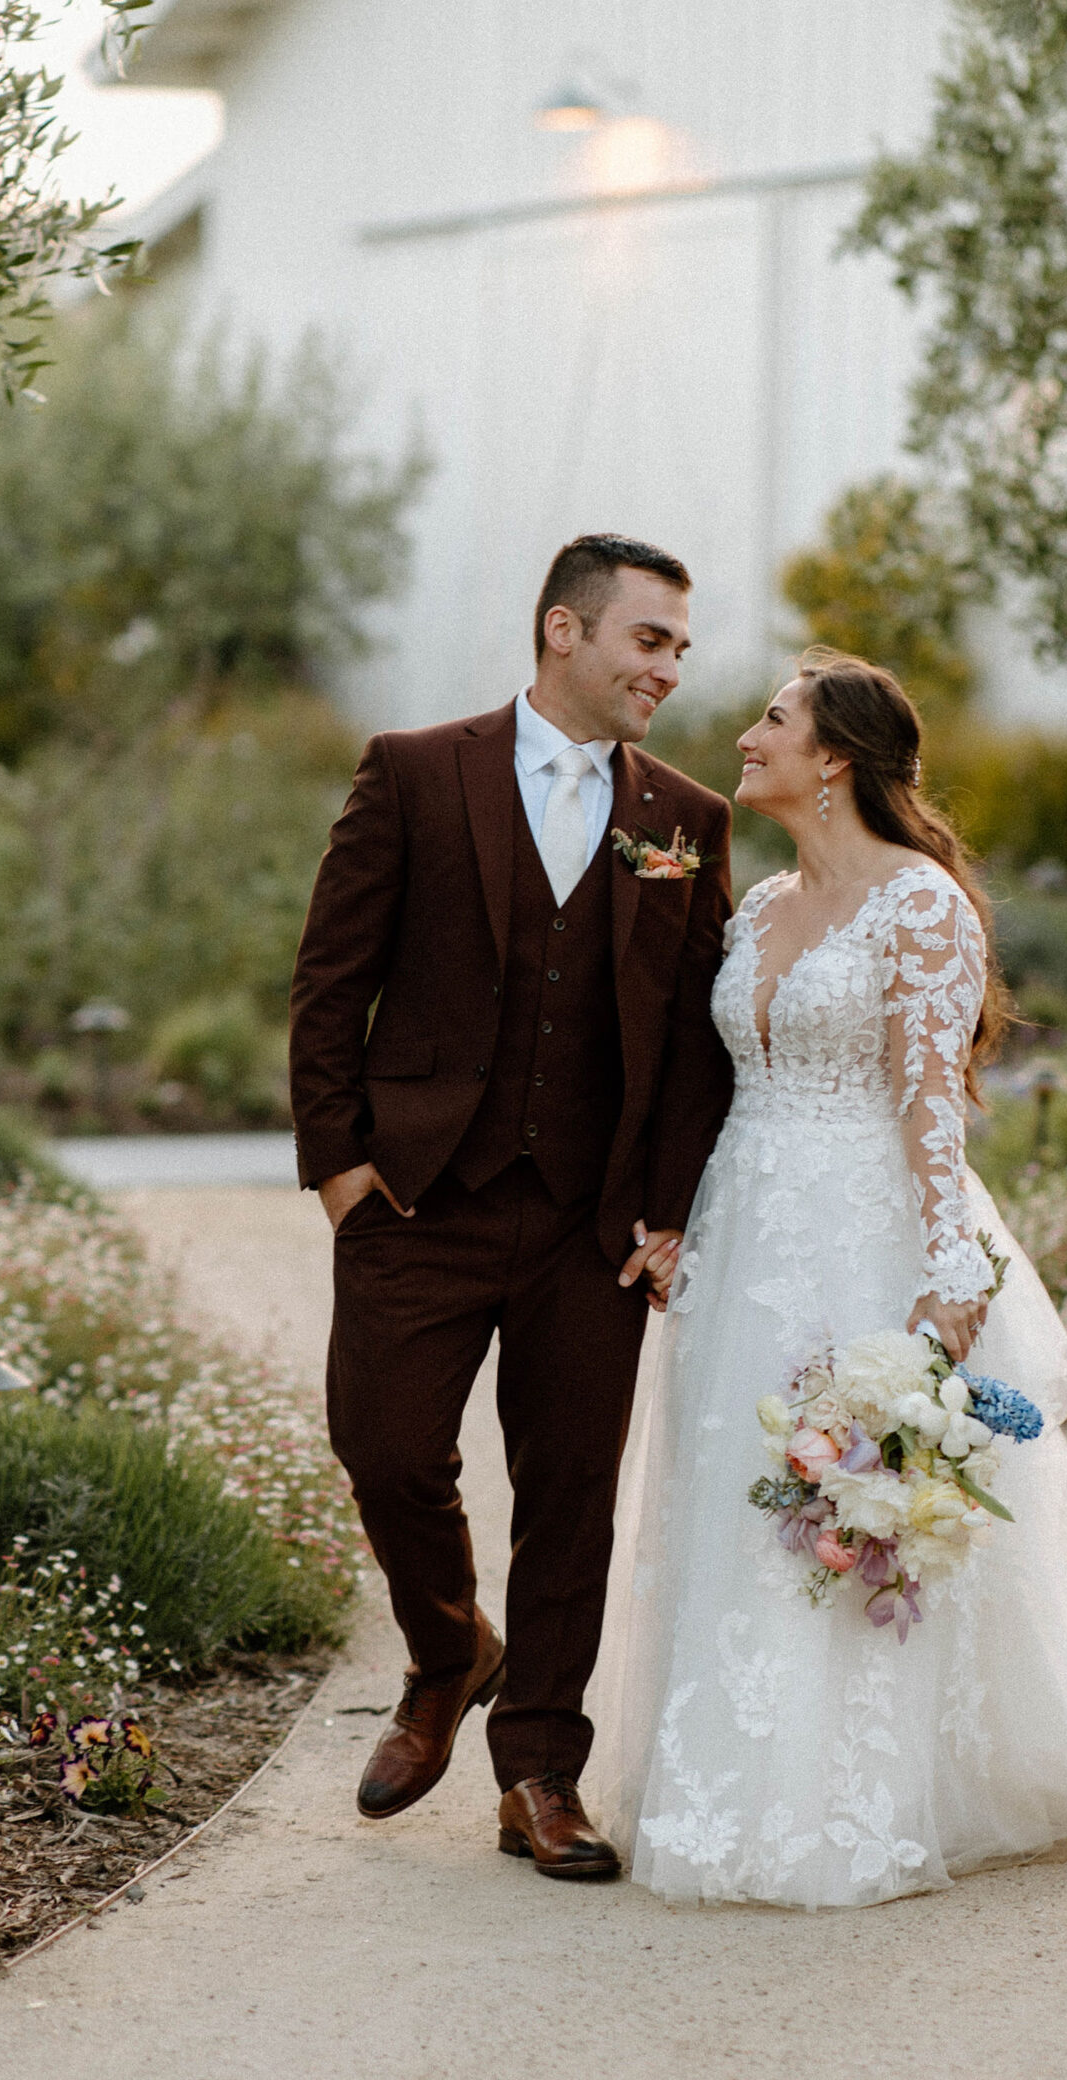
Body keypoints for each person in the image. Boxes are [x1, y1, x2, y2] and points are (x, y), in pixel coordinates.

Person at [586, 647, 1067, 1906]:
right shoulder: (754, 908)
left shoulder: (922, 907)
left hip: (857, 1231)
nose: (745, 737)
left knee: (848, 1492)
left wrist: (948, 1269)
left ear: (834, 759)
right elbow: (717, 1087)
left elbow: (931, 1101)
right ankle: (728, 1772)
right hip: (743, 1229)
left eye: (772, 720)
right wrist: (677, 1224)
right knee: (735, 1492)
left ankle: (847, 1794)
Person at [289, 534, 733, 1881]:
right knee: (385, 1447)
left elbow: (694, 1042)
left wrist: (663, 1209)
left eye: (676, 649)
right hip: (417, 1195)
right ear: (563, 631)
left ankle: (538, 1770)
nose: (667, 667)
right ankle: (445, 1649)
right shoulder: (415, 772)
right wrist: (339, 1171)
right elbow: (328, 981)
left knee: (571, 1497)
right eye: (647, 640)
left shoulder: (684, 819)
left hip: (589, 1226)